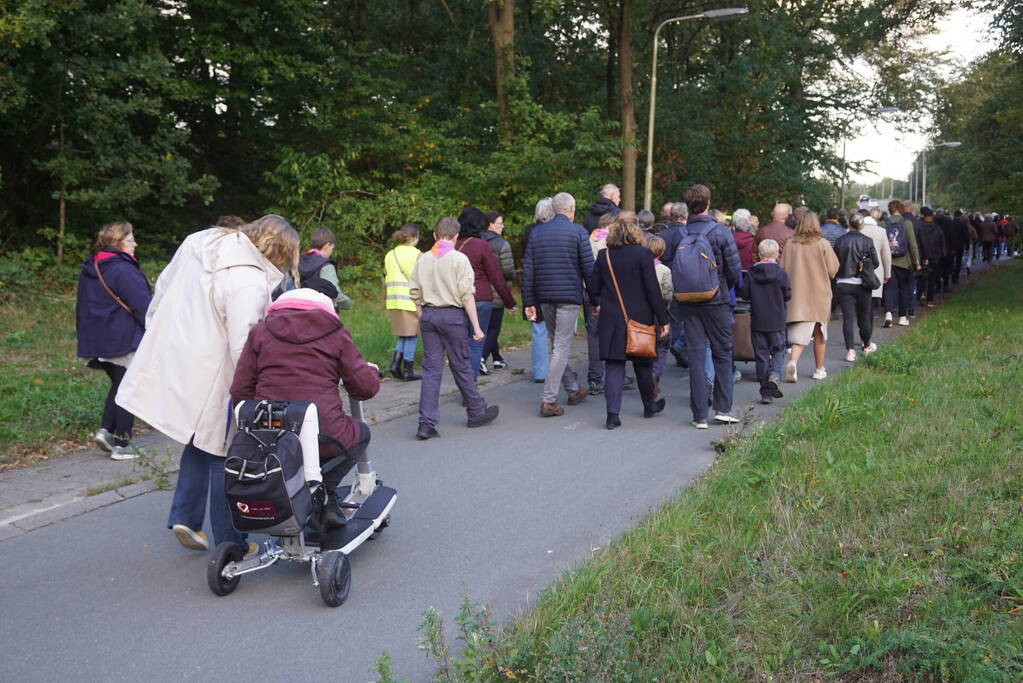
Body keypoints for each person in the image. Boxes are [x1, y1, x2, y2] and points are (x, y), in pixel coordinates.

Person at [117, 215, 300, 554]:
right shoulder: (249, 280)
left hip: (179, 354)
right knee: (225, 450)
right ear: (280, 253)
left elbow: (161, 293)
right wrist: (258, 391)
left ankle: (185, 515)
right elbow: (244, 345)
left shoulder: (198, 244)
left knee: (198, 437)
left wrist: (158, 335)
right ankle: (232, 541)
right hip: (218, 369)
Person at [230, 288, 380, 529]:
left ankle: (297, 497)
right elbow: (365, 388)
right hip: (325, 434)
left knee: (291, 447)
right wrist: (371, 372)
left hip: (272, 434)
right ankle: (327, 493)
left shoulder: (260, 332)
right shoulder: (335, 333)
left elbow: (240, 389)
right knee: (360, 433)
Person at [410, 217, 500, 440]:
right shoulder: (459, 259)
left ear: (434, 235)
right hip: (452, 317)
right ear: (456, 236)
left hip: (429, 315)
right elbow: (466, 296)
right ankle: (476, 411)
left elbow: (414, 293)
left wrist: (423, 317)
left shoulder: (423, 259)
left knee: (431, 370)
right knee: (461, 365)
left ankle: (426, 422)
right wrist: (477, 328)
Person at [75, 221, 152, 460]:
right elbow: (142, 305)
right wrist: (154, 328)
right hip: (121, 337)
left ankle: (106, 431)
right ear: (118, 242)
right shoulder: (122, 268)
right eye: (130, 239)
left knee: (120, 384)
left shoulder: (92, 266)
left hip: (97, 337)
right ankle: (122, 443)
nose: (135, 244)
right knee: (128, 387)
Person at [589, 213, 668, 429]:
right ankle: (649, 405)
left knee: (614, 366)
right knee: (643, 364)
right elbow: (652, 289)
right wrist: (663, 319)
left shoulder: (604, 256)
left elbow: (593, 288)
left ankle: (612, 415)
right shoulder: (642, 254)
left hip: (612, 318)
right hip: (640, 318)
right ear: (635, 234)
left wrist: (597, 303)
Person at [674, 184, 741, 428]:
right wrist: (723, 287)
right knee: (722, 352)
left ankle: (699, 414)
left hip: (688, 300)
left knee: (695, 353)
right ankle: (723, 408)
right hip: (717, 299)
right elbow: (733, 270)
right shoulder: (721, 232)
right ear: (708, 204)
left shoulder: (678, 233)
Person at [522, 192, 594, 417]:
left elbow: (528, 269)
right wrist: (596, 299)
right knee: (561, 347)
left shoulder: (537, 233)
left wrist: (528, 301)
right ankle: (548, 400)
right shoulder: (579, 232)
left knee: (557, 346)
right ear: (571, 210)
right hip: (568, 298)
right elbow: (588, 269)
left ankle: (573, 388)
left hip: (544, 297)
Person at [455, 207, 517, 382]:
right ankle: (470, 387)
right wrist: (509, 302)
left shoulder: (452, 245)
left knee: (461, 345)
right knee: (476, 344)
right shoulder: (482, 245)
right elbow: (496, 276)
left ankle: (463, 383)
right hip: (481, 298)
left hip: (456, 300)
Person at [780, 210, 839, 382]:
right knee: (819, 333)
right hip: (819, 294)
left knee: (800, 332)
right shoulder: (823, 244)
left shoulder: (790, 244)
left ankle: (793, 361)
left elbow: (782, 268)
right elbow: (833, 270)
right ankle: (819, 369)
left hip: (797, 294)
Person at [736, 239, 790, 404]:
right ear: (777, 255)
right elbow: (788, 295)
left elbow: (744, 294)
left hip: (758, 320)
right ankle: (774, 373)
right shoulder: (781, 273)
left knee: (761, 355)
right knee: (779, 349)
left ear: (759, 255)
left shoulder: (752, 273)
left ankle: (765, 393)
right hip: (777, 319)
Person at [834, 215, 881, 361]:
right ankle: (866, 346)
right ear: (861, 226)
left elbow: (835, 261)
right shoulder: (867, 241)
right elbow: (876, 262)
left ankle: (850, 351)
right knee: (864, 315)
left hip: (843, 283)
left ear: (849, 224)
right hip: (862, 283)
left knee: (848, 317)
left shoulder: (840, 240)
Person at [383, 223, 423, 381]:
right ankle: (408, 370)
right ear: (414, 238)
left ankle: (395, 364)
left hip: (393, 300)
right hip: (410, 300)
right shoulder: (417, 254)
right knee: (412, 336)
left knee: (403, 334)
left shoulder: (390, 254)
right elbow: (420, 278)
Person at [521, 198, 554, 384]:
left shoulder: (528, 232)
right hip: (552, 283)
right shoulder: (553, 232)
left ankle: (540, 371)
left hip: (533, 284)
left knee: (538, 329)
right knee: (557, 330)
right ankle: (558, 368)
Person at [480, 210, 516, 373]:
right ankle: (481, 357)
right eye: (500, 223)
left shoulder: (476, 241)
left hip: (478, 290)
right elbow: (508, 272)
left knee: (485, 327)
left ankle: (497, 358)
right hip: (496, 290)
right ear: (490, 225)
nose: (502, 226)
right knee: (494, 328)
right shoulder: (502, 244)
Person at [882, 200, 921, 328]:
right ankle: (902, 317)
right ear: (901, 209)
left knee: (889, 288)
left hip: (887, 262)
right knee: (903, 289)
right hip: (904, 262)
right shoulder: (907, 223)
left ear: (890, 210)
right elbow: (913, 244)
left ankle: (888, 314)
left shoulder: (883, 223)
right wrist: (917, 262)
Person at [298, 226, 352, 311]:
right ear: (327, 245)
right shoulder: (326, 266)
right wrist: (347, 303)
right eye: (332, 248)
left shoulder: (298, 260)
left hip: (297, 310)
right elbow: (334, 293)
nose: (331, 251)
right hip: (320, 314)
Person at [645, 234, 674, 385]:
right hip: (660, 311)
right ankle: (655, 372)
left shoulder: (639, 267)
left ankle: (648, 370)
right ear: (662, 252)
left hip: (643, 311)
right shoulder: (664, 270)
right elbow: (668, 292)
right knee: (663, 344)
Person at [915, 207, 946, 307]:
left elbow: (917, 243)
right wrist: (941, 252)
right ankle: (930, 299)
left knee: (922, 278)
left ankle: (921, 294)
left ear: (924, 216)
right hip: (935, 256)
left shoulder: (920, 228)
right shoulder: (937, 228)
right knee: (932, 279)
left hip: (923, 256)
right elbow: (942, 242)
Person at [859, 214, 892, 307]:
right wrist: (887, 274)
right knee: (871, 303)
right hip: (876, 272)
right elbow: (886, 255)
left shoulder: (857, 231)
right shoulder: (881, 231)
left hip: (860, 271)